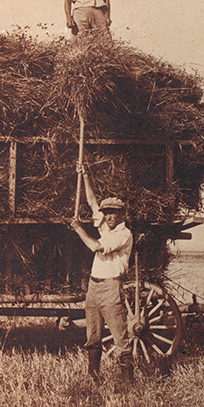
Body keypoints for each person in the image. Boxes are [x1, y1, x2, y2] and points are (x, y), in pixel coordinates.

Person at [69, 164, 133, 385]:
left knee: (120, 338)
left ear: (122, 214)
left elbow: (96, 247)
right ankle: (93, 379)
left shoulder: (124, 235)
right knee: (93, 336)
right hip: (93, 288)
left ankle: (127, 384)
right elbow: (92, 202)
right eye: (106, 213)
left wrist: (78, 229)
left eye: (113, 212)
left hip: (110, 288)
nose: (108, 216)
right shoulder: (107, 227)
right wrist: (85, 175)